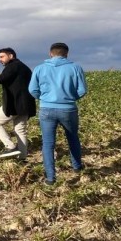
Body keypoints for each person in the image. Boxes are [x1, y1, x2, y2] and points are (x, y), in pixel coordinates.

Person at [28, 42, 87, 185]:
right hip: (68, 109)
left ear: (50, 53)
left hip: (46, 109)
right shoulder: (75, 68)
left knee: (48, 144)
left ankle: (50, 178)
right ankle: (77, 167)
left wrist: (43, 99)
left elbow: (32, 89)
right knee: (73, 138)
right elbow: (82, 90)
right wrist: (70, 98)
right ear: (66, 54)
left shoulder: (39, 68)